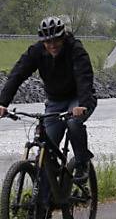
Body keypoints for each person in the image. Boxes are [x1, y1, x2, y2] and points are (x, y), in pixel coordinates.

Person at [0, 17, 97, 183]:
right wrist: (3, 103)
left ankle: (82, 163)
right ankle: (44, 203)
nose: (52, 45)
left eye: (56, 41)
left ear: (63, 37)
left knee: (74, 123)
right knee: (46, 151)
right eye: (47, 42)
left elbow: (84, 77)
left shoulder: (75, 49)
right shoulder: (37, 51)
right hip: (55, 101)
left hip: (78, 98)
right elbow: (17, 74)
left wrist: (83, 104)